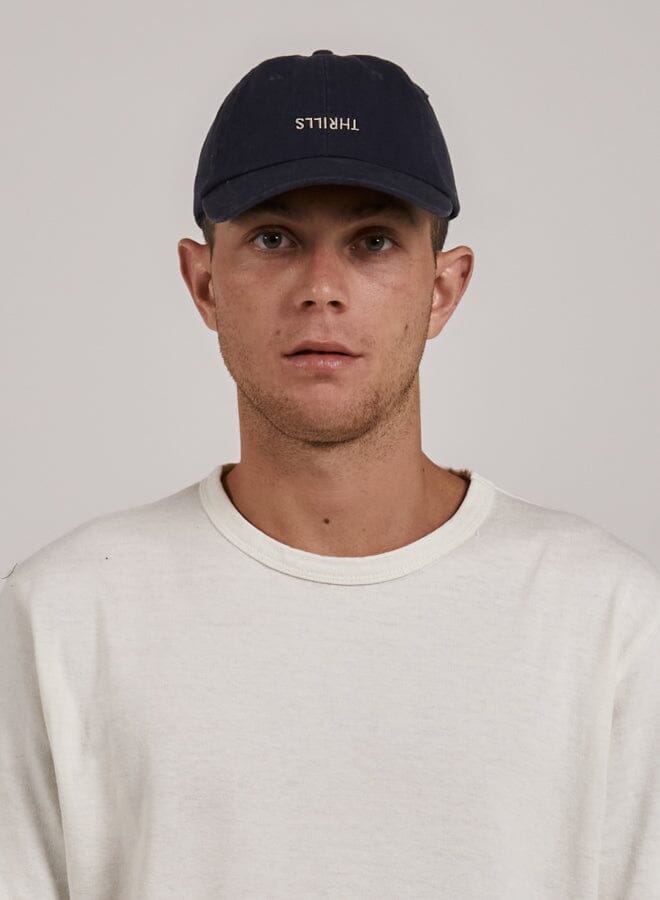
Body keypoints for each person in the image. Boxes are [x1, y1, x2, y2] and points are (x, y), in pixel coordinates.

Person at [1, 49, 658, 900]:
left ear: (443, 289)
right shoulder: (58, 618)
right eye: (274, 238)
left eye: (372, 241)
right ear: (204, 283)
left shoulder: (609, 619)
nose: (321, 288)